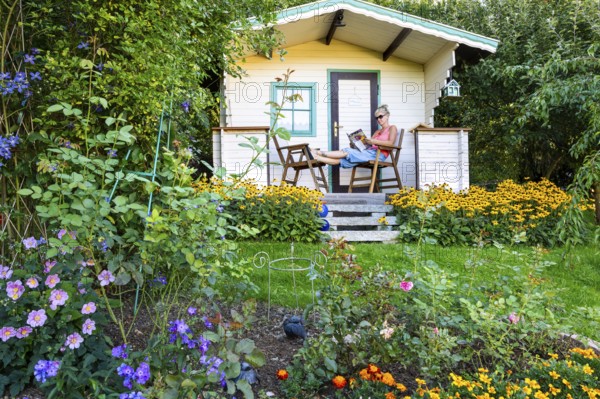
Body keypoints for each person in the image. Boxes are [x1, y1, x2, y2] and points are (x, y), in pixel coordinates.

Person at [313, 105, 398, 167]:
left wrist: (374, 141)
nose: (379, 119)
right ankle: (317, 158)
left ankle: (318, 153)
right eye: (377, 118)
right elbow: (369, 146)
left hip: (378, 155)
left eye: (380, 116)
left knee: (347, 151)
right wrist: (356, 144)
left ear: (387, 116)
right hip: (368, 153)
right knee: (344, 161)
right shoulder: (377, 131)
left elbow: (391, 144)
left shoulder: (392, 128)